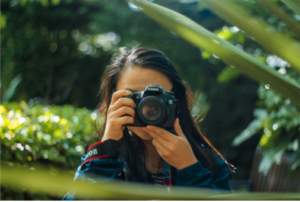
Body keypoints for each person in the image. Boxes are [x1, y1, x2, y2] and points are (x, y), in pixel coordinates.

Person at [63, 47, 234, 200]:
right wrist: (107, 147)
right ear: (114, 101)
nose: (147, 107)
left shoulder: (208, 162)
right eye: (133, 96)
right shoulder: (106, 161)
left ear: (176, 100)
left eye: (157, 96)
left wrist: (190, 169)